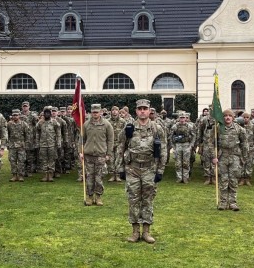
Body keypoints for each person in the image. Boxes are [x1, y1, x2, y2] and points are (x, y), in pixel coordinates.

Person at [117, 99, 167, 244]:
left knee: (147, 199)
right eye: (140, 109)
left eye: (145, 108)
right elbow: (121, 147)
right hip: (132, 168)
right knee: (133, 199)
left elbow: (163, 150)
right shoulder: (129, 127)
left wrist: (160, 171)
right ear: (136, 111)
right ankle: (134, 231)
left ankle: (146, 231)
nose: (143, 111)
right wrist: (120, 168)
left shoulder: (157, 128)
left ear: (149, 110)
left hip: (149, 168)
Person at [213, 109, 248, 211]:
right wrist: (213, 157)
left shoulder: (239, 129)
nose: (227, 117)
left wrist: (244, 158)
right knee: (223, 180)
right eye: (225, 116)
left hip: (235, 156)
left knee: (233, 180)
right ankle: (223, 202)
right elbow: (211, 143)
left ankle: (233, 202)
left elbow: (244, 144)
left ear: (233, 117)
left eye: (230, 116)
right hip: (222, 156)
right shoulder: (218, 129)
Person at [79, 103, 114, 205]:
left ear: (101, 112)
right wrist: (80, 152)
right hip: (88, 155)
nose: (95, 114)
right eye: (93, 112)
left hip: (100, 155)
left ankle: (98, 197)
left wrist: (108, 153)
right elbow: (81, 139)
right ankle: (90, 197)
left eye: (97, 112)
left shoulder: (107, 124)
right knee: (89, 177)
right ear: (91, 112)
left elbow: (110, 140)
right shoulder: (86, 124)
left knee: (99, 177)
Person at [36, 106, 61, 182]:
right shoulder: (40, 122)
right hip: (43, 145)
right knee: (43, 160)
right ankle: (44, 175)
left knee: (51, 160)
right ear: (43, 114)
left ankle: (50, 175)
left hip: (52, 144)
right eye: (45, 113)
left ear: (50, 114)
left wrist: (59, 142)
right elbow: (37, 133)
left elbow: (58, 133)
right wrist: (37, 143)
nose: (46, 114)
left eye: (48, 113)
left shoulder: (54, 122)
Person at [170, 112, 195, 183]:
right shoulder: (175, 126)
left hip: (186, 145)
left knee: (186, 163)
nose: (182, 119)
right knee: (178, 163)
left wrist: (191, 145)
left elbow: (193, 136)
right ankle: (179, 178)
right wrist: (173, 146)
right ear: (178, 118)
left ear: (185, 118)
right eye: (181, 117)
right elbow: (171, 137)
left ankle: (185, 178)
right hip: (178, 145)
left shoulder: (189, 126)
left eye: (183, 117)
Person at [7, 109, 29, 182]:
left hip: (21, 146)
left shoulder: (24, 124)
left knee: (21, 161)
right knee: (12, 161)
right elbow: (7, 135)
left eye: (16, 115)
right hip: (12, 145)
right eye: (14, 115)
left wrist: (26, 144)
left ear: (19, 116)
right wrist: (8, 144)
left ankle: (20, 175)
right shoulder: (9, 124)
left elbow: (27, 135)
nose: (15, 116)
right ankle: (14, 175)